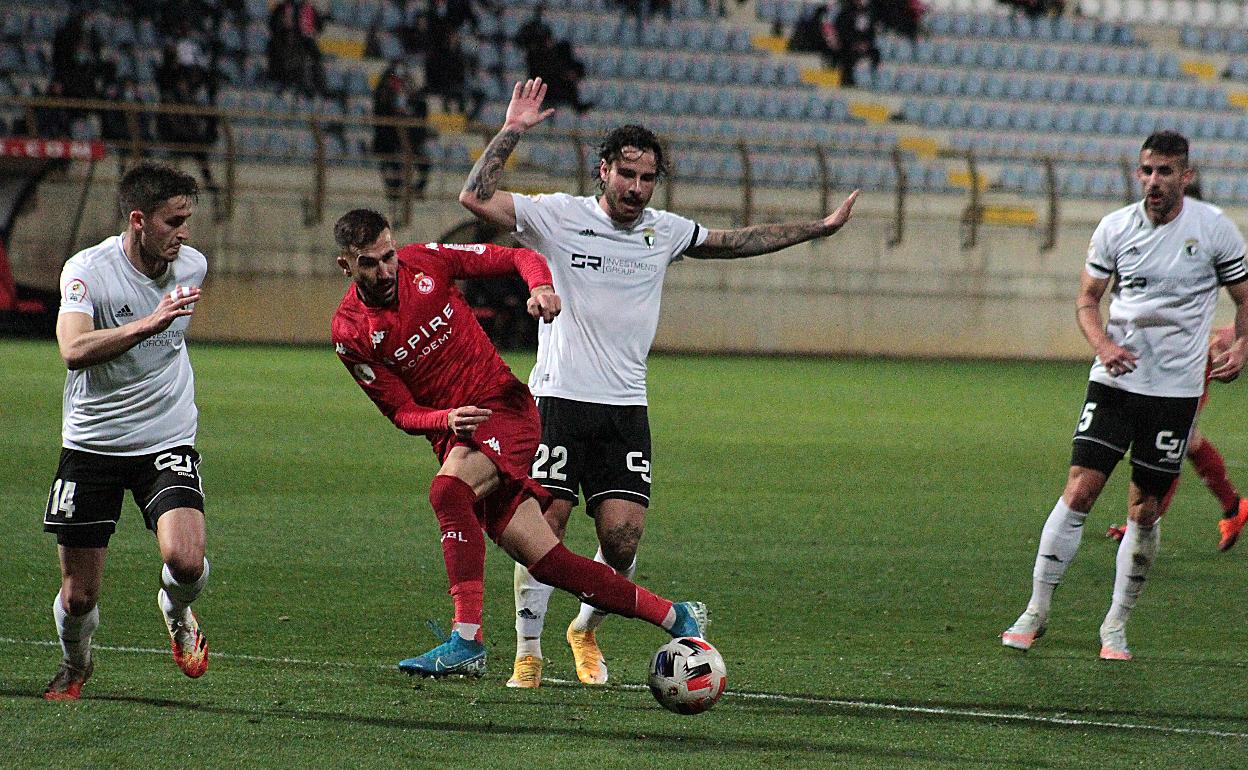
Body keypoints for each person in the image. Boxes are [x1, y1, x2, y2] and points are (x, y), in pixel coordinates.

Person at [459, 78, 859, 688]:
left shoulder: (663, 230)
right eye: (628, 176)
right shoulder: (558, 216)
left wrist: (817, 229)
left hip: (626, 407)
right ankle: (529, 650)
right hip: (559, 399)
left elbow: (735, 242)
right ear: (603, 172)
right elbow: (475, 197)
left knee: (621, 537)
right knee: (548, 523)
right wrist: (512, 128)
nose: (638, 189)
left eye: (648, 179)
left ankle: (584, 629)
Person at [329, 208, 709, 677]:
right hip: (458, 436)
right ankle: (677, 615)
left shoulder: (427, 261)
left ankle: (466, 640)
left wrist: (541, 286)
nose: (386, 270)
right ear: (346, 265)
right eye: (370, 263)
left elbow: (517, 257)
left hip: (505, 407)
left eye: (388, 256)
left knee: (448, 491)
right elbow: (400, 412)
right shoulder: (349, 332)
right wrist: (444, 418)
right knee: (551, 563)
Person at [1002, 131, 1248, 661]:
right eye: (1146, 171)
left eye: (1164, 172)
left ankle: (1115, 625)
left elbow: (1244, 298)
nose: (1153, 181)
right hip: (1114, 381)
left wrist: (1243, 344)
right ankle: (1036, 610)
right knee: (1079, 490)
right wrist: (1103, 344)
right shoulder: (1115, 228)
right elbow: (1088, 300)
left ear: (1186, 175)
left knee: (1145, 509)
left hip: (1175, 393)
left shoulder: (1214, 230)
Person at [42, 162, 211, 700]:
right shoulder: (87, 270)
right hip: (93, 441)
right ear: (139, 220)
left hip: (166, 433)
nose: (184, 233)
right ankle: (77, 664)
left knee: (184, 559)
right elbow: (73, 350)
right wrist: (149, 324)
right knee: (79, 597)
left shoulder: (192, 266)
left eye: (188, 220)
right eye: (173, 221)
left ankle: (176, 609)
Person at [1105, 326, 1248, 550]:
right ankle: (1233, 507)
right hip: (1173, 353)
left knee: (1174, 440)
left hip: (1188, 357)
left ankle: (1144, 520)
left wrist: (1238, 333)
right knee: (1186, 439)